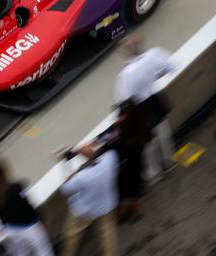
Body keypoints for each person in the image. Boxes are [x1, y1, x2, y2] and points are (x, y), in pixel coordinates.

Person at [114, 35, 177, 183]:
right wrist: (156, 75)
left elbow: (123, 100)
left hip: (139, 109)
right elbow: (172, 66)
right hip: (155, 100)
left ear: (126, 53)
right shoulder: (153, 55)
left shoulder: (125, 74)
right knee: (164, 135)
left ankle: (154, 174)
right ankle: (169, 161)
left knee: (147, 144)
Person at [59, 143, 120, 256]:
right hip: (106, 205)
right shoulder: (110, 158)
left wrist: (69, 177)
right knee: (107, 233)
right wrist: (87, 150)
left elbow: (65, 190)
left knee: (71, 236)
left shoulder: (82, 177)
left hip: (84, 211)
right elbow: (102, 151)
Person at [0, 159, 55, 256]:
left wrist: (5, 227)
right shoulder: (16, 187)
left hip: (12, 231)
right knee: (44, 252)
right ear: (4, 171)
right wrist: (41, 219)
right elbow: (28, 206)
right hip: (29, 228)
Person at [100, 101, 152, 222]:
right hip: (128, 164)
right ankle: (130, 212)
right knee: (130, 190)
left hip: (130, 165)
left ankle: (132, 212)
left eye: (121, 114)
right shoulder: (127, 128)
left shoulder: (131, 132)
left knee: (130, 191)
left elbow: (116, 144)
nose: (118, 117)